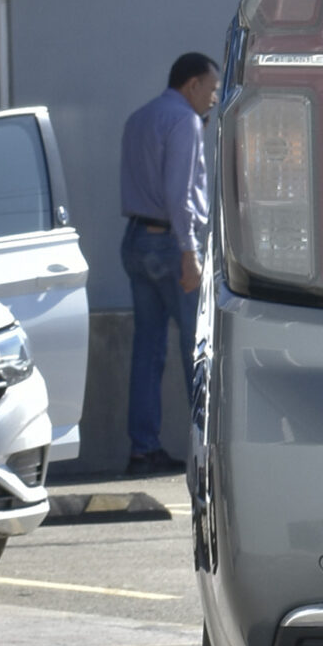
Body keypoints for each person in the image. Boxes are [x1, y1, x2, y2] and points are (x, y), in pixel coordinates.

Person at [120, 53, 220, 477]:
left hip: (137, 239)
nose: (215, 97)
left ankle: (143, 450)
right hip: (172, 246)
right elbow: (180, 195)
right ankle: (206, 449)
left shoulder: (140, 118)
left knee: (147, 350)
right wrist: (190, 253)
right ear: (192, 84)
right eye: (212, 88)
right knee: (195, 350)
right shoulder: (184, 122)